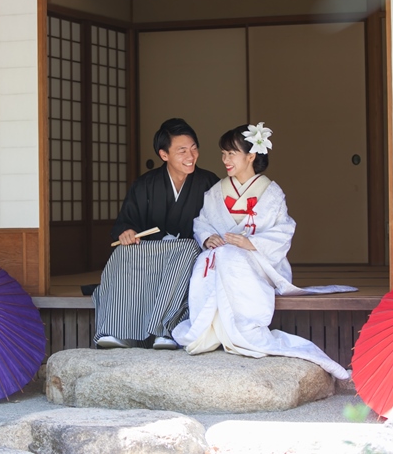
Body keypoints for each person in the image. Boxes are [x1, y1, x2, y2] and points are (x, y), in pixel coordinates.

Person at [172, 123, 356, 379]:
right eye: (223, 153)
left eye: (232, 153)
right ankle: (208, 328)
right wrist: (207, 238)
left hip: (257, 261)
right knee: (207, 259)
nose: (225, 160)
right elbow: (202, 222)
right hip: (224, 254)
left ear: (251, 156)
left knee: (230, 258)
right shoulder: (216, 191)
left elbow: (284, 230)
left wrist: (251, 243)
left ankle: (243, 328)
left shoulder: (271, 192)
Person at [93, 118, 220, 350]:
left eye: (193, 148)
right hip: (151, 251)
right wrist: (127, 232)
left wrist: (209, 237)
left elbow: (218, 221)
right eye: (182, 151)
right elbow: (127, 221)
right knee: (122, 253)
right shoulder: (145, 184)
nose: (190, 156)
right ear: (164, 155)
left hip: (187, 253)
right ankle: (117, 329)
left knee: (187, 250)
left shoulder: (209, 183)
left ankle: (167, 330)